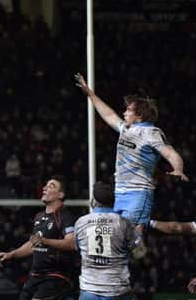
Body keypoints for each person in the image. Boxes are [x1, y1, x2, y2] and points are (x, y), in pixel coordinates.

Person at [74, 73, 188, 229]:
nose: (124, 113)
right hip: (119, 192)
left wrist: (178, 169)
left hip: (138, 193)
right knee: (118, 237)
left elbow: (170, 153)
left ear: (139, 115)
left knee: (133, 238)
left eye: (128, 110)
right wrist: (90, 94)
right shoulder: (126, 129)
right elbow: (108, 114)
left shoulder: (152, 133)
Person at [0, 176, 76, 300]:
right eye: (45, 185)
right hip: (35, 277)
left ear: (61, 195)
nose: (45, 187)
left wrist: (45, 241)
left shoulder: (65, 216)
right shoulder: (39, 216)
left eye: (51, 186)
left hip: (55, 277)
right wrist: (12, 254)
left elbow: (71, 243)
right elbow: (33, 244)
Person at [73, 182, 144, 300]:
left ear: (94, 201)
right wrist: (138, 236)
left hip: (89, 289)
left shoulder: (81, 222)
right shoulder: (123, 222)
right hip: (116, 288)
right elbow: (140, 253)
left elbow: (79, 249)